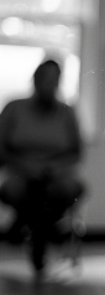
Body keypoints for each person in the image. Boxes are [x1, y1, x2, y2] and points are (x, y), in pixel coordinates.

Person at [0, 59, 85, 277]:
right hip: (19, 170)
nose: (50, 84)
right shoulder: (14, 108)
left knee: (68, 189)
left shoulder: (67, 112)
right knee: (21, 190)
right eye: (45, 79)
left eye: (55, 79)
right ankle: (45, 233)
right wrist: (26, 166)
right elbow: (2, 149)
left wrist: (54, 167)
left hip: (56, 173)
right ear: (35, 80)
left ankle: (23, 225)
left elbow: (76, 152)